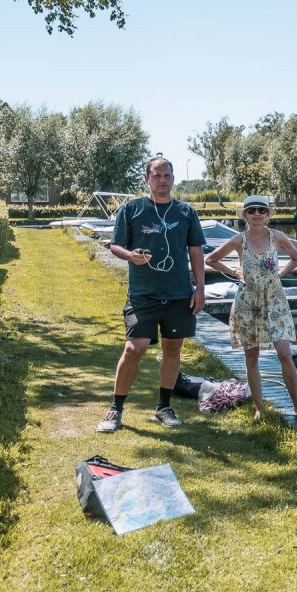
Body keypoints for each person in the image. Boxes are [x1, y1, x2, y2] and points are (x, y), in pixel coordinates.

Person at [97, 157, 206, 433]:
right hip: (143, 294)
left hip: (179, 294)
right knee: (135, 348)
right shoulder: (132, 209)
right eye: (157, 175)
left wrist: (200, 289)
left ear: (173, 178)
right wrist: (130, 256)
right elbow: (116, 246)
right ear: (147, 178)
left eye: (167, 175)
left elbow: (195, 252)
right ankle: (115, 409)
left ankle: (164, 407)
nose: (162, 180)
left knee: (173, 348)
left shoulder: (185, 211)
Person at [204, 195, 297, 421]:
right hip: (248, 303)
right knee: (252, 356)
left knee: (285, 353)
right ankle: (260, 409)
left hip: (275, 301)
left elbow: (295, 258)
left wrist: (280, 274)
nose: (257, 214)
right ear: (245, 215)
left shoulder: (278, 237)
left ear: (268, 214)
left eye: (262, 210)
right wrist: (235, 272)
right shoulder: (239, 240)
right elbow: (211, 259)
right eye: (252, 210)